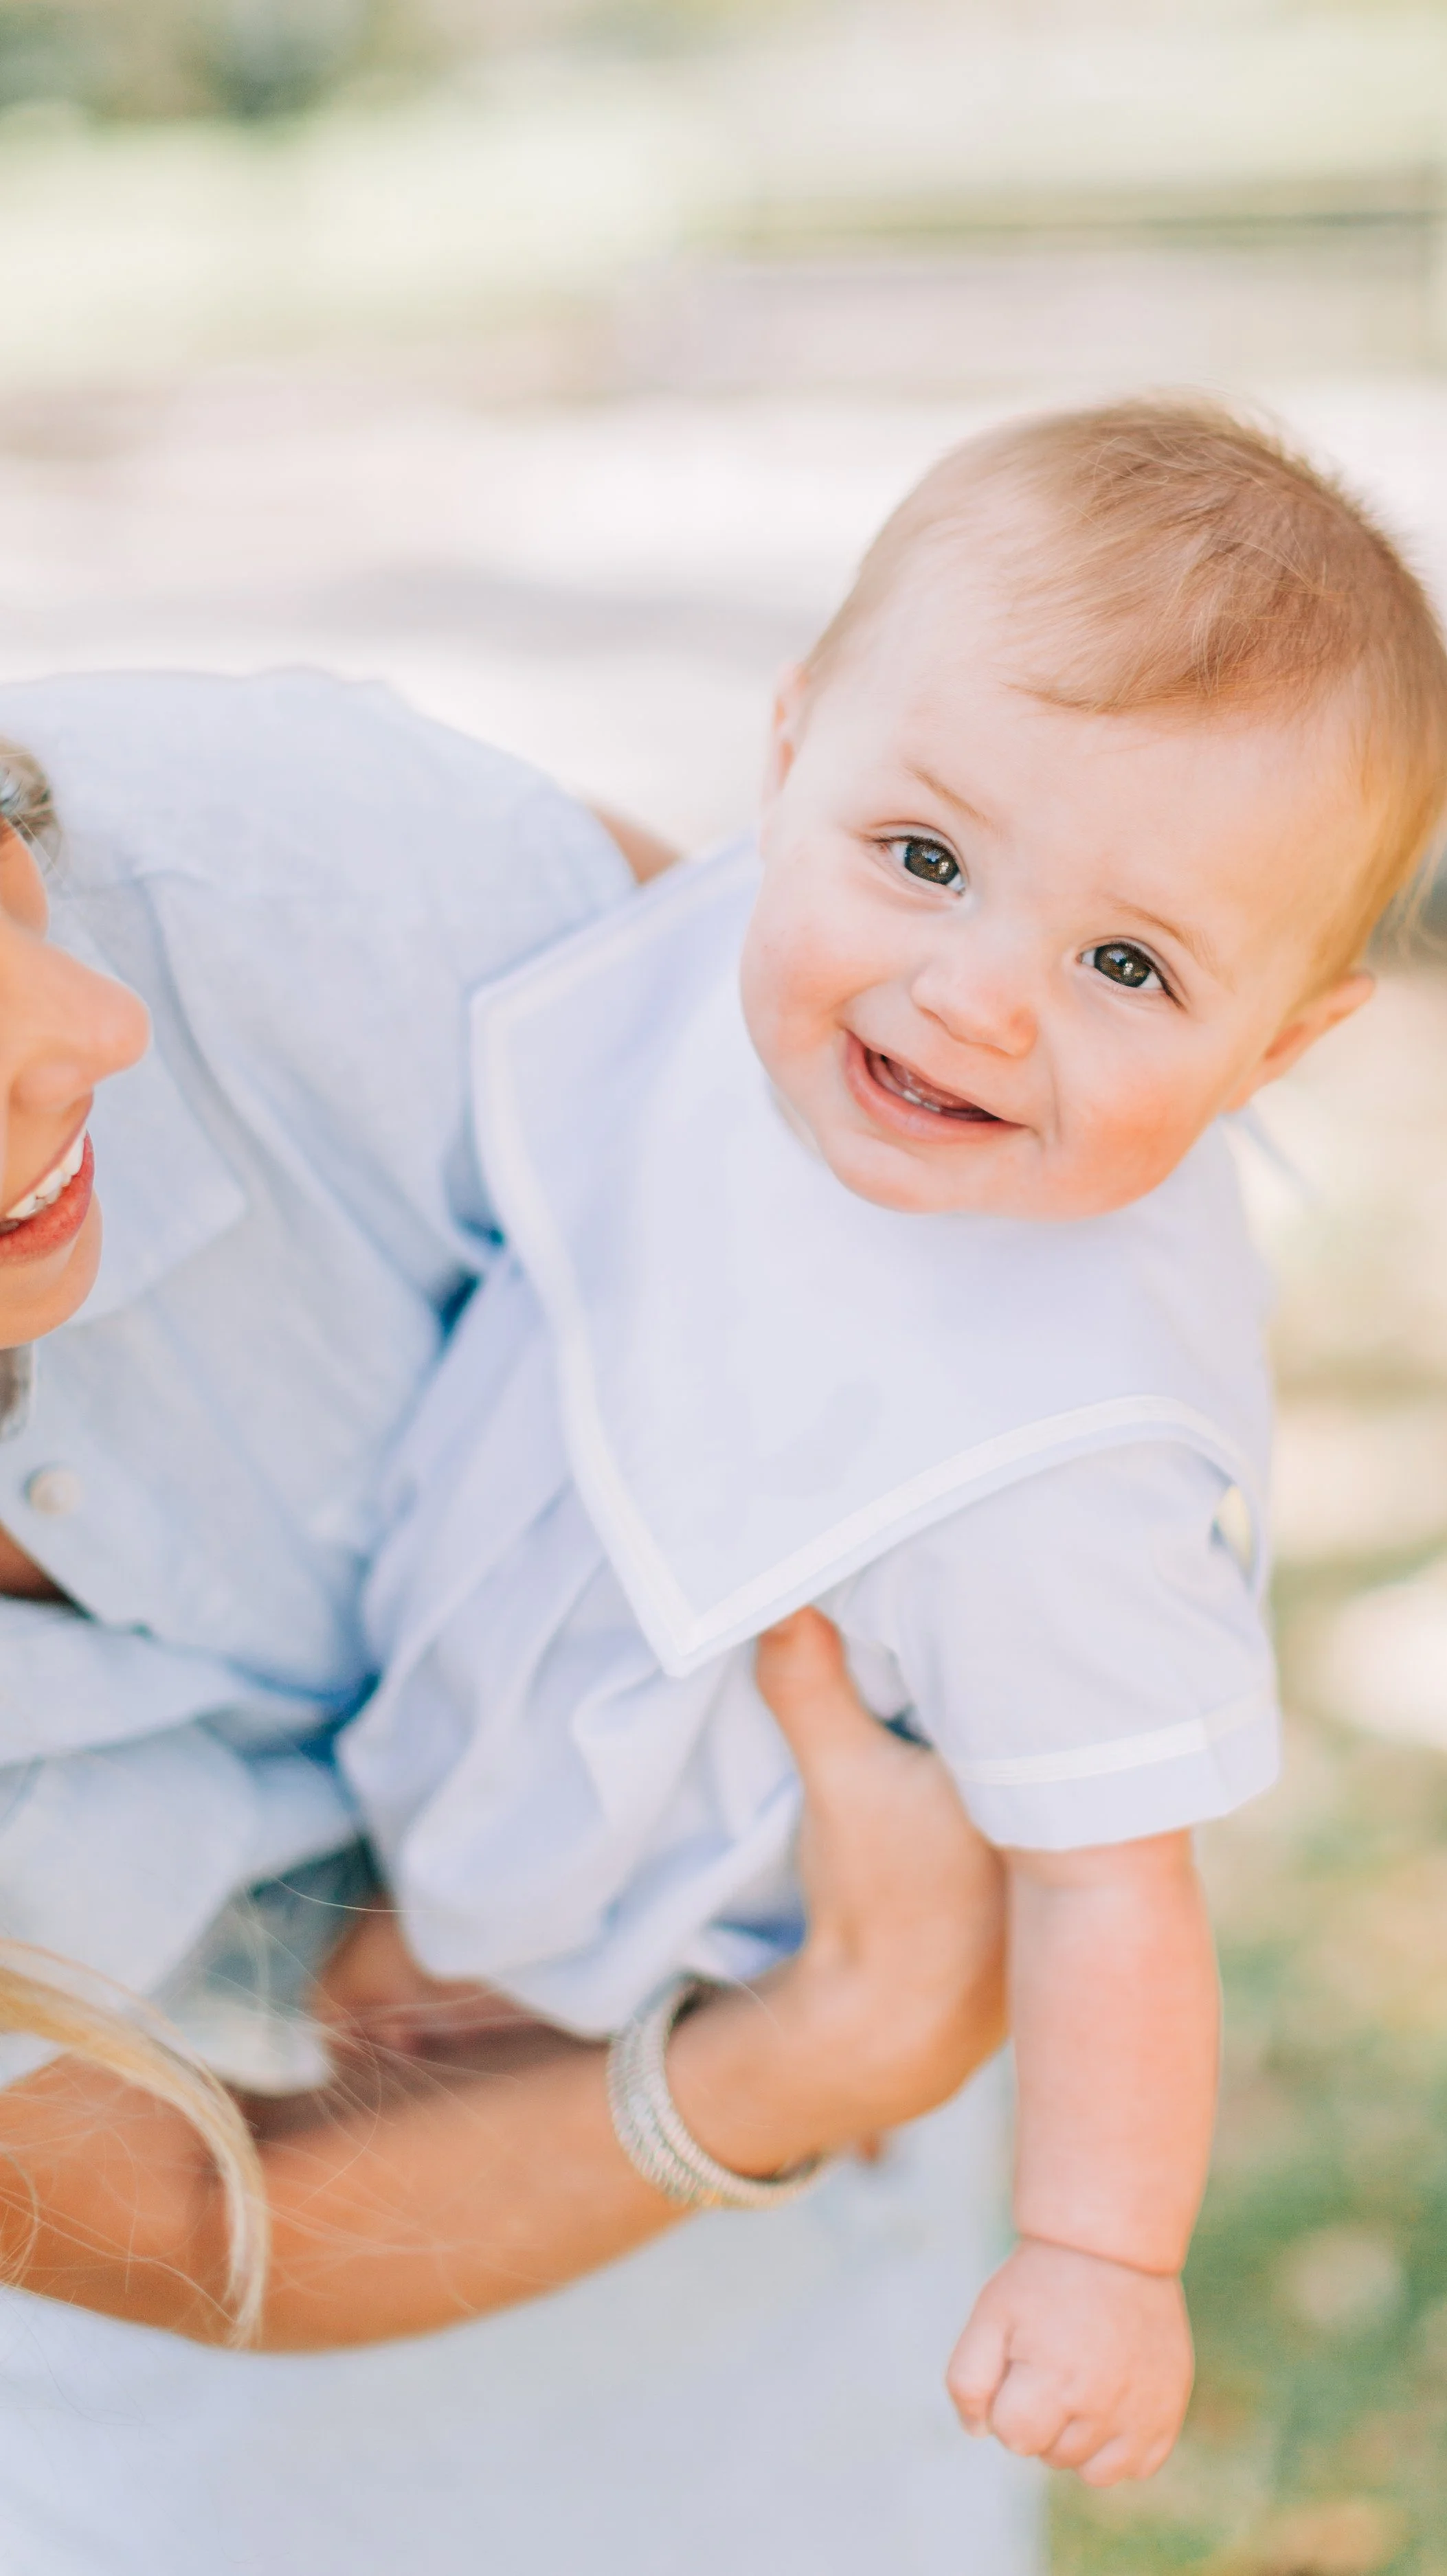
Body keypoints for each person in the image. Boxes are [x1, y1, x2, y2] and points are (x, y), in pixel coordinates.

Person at [337, 405, 1447, 2483]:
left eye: (1127, 965)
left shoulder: (1059, 1469)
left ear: (1276, 1044)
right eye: (924, 858)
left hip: (641, 1941)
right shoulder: (731, 973)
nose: (974, 999)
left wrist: (1097, 2254)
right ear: (786, 762)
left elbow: (1113, 1888)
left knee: (441, 2140)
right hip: (460, 1637)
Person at [0, 675, 1027, 2575]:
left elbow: (1005, 1235)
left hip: (820, 2297)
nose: (92, 1024)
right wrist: (821, 2046)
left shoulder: (313, 886)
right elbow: (182, 2214)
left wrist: (926, 1925)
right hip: (232, 2455)